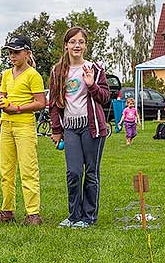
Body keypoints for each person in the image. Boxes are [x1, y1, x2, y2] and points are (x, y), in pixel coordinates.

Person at [49, 26, 110, 228]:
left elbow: (105, 97)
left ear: (85, 45)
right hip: (70, 128)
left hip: (92, 128)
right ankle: (74, 216)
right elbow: (53, 104)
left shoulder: (95, 69)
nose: (77, 45)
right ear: (66, 45)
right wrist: (57, 130)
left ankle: (89, 217)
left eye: (81, 42)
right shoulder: (57, 71)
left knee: (91, 172)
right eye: (73, 41)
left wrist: (92, 84)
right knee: (73, 172)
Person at [0, 35, 46, 226]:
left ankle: (33, 213)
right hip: (6, 126)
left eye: (16, 52)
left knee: (28, 169)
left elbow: (41, 102)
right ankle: (7, 210)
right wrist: (1, 101)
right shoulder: (6, 74)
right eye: (10, 52)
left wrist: (18, 108)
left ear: (27, 53)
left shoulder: (33, 75)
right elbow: (3, 96)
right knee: (6, 170)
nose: (12, 56)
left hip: (24, 125)